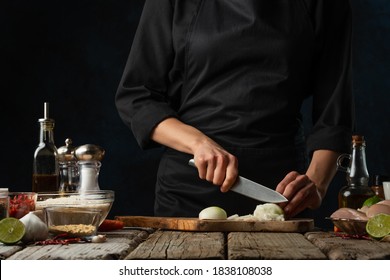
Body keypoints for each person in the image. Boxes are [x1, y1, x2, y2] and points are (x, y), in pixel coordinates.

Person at [115, 0, 354, 219]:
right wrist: (199, 144)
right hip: (189, 191)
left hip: (281, 195)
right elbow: (137, 96)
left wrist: (316, 185)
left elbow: (334, 115)